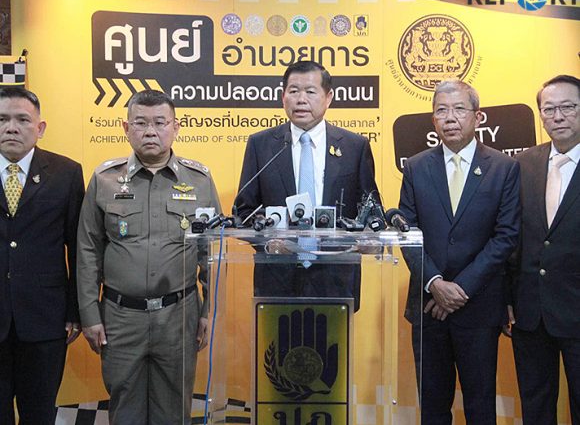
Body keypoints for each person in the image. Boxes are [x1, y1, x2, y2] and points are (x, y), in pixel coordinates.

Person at [76, 90, 221, 425]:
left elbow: (211, 251)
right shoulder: (104, 179)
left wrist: (208, 312)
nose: (151, 132)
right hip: (120, 318)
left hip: (179, 316)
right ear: (126, 128)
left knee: (174, 409)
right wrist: (89, 314)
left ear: (176, 127)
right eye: (141, 123)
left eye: (160, 123)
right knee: (124, 407)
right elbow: (88, 250)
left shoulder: (199, 181)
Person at [399, 80, 520, 424]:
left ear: (478, 117)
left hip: (479, 307)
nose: (450, 118)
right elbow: (406, 232)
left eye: (459, 109)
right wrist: (435, 283)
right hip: (428, 306)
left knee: (480, 407)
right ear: (433, 120)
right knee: (433, 408)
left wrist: (459, 289)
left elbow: (506, 237)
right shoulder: (416, 167)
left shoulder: (504, 167)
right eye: (441, 110)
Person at [235, 60, 379, 311]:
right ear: (283, 97)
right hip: (276, 281)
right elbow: (243, 211)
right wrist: (267, 243)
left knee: (332, 339)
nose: (301, 99)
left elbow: (371, 210)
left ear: (328, 97)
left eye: (310, 91)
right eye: (293, 91)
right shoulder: (261, 145)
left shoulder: (354, 147)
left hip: (336, 280)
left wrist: (367, 237)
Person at [0, 87, 84, 424]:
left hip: (45, 320)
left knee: (39, 414)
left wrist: (76, 310)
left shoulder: (66, 173)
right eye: (2, 119)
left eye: (22, 120)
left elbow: (78, 248)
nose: (11, 127)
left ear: (41, 127)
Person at [506, 75, 579, 424]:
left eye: (568, 107)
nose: (558, 116)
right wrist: (507, 298)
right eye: (549, 109)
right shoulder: (522, 164)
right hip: (530, 313)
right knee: (535, 408)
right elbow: (510, 236)